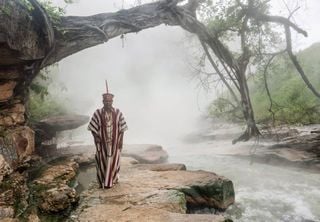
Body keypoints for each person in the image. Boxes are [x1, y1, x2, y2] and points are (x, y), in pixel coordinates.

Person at [88, 91, 128, 189]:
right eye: (106, 101)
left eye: (109, 101)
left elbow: (122, 128)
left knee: (114, 161)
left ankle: (113, 180)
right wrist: (95, 136)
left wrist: (121, 140)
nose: (108, 103)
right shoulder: (97, 113)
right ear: (103, 101)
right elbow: (92, 127)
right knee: (102, 161)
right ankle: (103, 181)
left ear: (112, 101)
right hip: (102, 143)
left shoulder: (118, 112)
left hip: (114, 143)